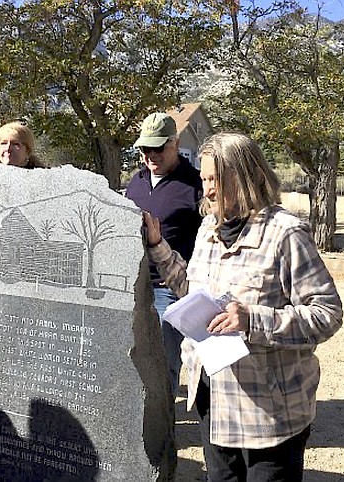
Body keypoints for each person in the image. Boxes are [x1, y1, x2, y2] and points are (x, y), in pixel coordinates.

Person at [143, 132, 343, 481]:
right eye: (204, 179)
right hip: (214, 400)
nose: (207, 190)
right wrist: (158, 245)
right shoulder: (209, 228)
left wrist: (252, 320)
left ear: (245, 175)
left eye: (215, 180)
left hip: (268, 413)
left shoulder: (286, 234)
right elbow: (190, 290)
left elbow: (326, 314)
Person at [125, 112, 202, 399]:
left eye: (159, 148)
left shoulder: (197, 186)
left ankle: (163, 433)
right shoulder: (136, 182)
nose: (151, 155)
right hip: (134, 288)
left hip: (169, 290)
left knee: (163, 364)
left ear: (175, 143)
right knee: (131, 361)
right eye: (146, 149)